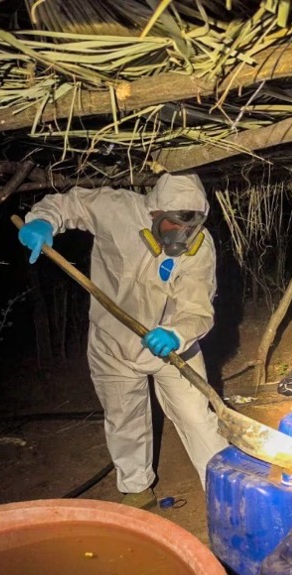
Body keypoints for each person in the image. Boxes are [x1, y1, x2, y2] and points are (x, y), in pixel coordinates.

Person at [18, 173, 228, 509]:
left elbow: (197, 307)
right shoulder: (116, 208)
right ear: (154, 213)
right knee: (124, 416)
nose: (182, 237)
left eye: (191, 227)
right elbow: (71, 203)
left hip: (172, 345)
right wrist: (44, 220)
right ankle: (137, 489)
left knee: (196, 416)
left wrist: (176, 332)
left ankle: (225, 489)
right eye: (174, 226)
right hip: (111, 343)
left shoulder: (200, 249)